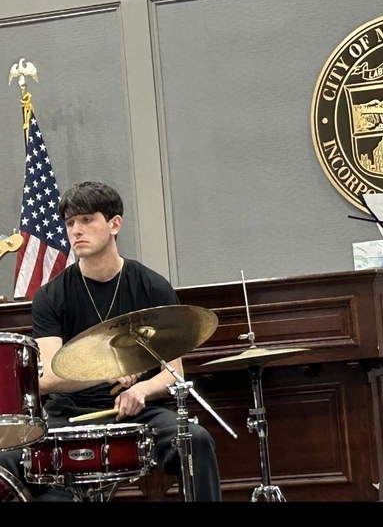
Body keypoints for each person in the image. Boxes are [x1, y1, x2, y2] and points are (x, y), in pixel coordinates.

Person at [0, 180, 222, 501]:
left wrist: (141, 389)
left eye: (87, 220)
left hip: (137, 412)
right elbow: (47, 378)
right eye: (70, 223)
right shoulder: (51, 296)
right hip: (70, 413)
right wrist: (104, 370)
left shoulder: (151, 287)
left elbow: (174, 373)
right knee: (11, 458)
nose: (76, 230)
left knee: (196, 439)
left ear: (114, 224)